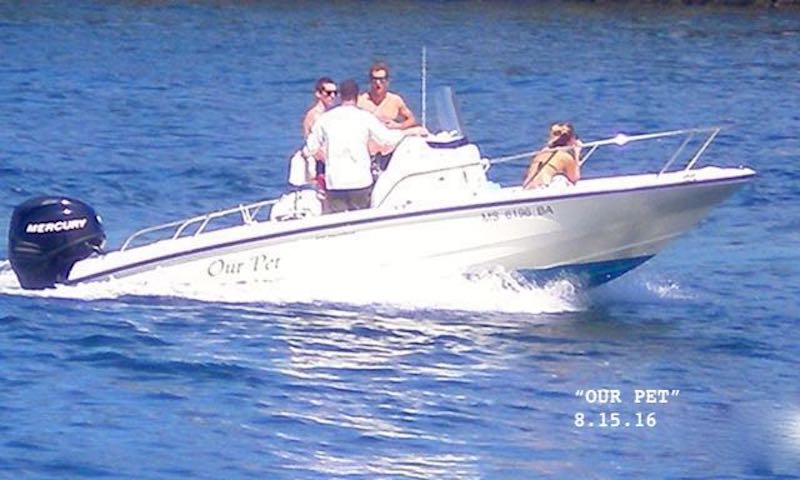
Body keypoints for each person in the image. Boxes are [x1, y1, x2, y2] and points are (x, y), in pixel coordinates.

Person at [304, 79, 427, 214]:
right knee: (360, 218)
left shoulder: (325, 119)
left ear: (340, 96)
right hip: (360, 181)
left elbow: (311, 146)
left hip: (335, 182)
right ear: (357, 97)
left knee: (338, 220)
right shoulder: (366, 117)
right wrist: (408, 132)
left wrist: (326, 159)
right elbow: (387, 139)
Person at [288, 77, 338, 189]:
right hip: (318, 163)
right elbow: (311, 144)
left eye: (335, 93)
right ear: (318, 94)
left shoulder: (328, 115)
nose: (332, 96)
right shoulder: (314, 115)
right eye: (329, 93)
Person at [357, 62, 417, 130]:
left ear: (387, 81)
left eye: (381, 79)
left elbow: (411, 119)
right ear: (370, 81)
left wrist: (399, 126)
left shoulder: (395, 100)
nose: (378, 83)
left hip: (389, 134)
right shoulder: (361, 101)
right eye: (375, 79)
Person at [523, 122, 581, 189]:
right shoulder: (565, 156)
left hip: (527, 188)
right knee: (560, 178)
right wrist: (577, 153)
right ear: (571, 139)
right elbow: (574, 179)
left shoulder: (542, 152)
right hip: (542, 189)